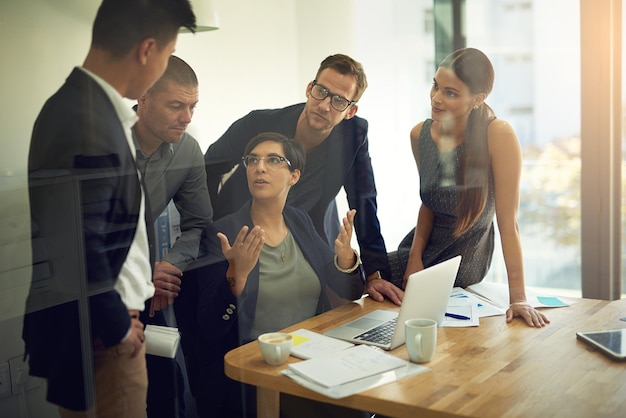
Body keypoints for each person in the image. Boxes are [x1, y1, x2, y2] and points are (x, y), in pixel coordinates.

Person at [22, 1, 195, 416]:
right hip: (103, 337)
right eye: (168, 55)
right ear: (147, 49)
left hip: (106, 328)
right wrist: (118, 328)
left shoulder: (90, 110)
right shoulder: (85, 120)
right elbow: (78, 247)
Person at [180, 132, 367, 418]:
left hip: (311, 356)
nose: (259, 167)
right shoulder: (224, 232)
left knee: (363, 402)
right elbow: (209, 328)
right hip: (259, 368)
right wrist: (236, 278)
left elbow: (348, 289)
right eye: (252, 160)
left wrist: (346, 258)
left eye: (273, 160)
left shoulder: (300, 221)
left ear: (294, 176)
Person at [204, 53, 403, 306]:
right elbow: (208, 168)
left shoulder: (353, 135)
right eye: (321, 91)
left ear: (350, 111)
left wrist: (375, 275)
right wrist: (207, 228)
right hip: (242, 231)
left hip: (302, 230)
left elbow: (364, 204)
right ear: (310, 89)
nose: (324, 105)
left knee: (324, 301)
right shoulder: (260, 123)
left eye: (339, 101)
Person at [398, 47, 549, 327]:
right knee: (368, 283)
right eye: (435, 86)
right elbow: (429, 204)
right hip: (420, 252)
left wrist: (518, 298)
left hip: (464, 261)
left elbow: (508, 223)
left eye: (450, 92)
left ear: (477, 99)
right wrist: (413, 259)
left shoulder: (498, 134)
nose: (436, 98)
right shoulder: (419, 134)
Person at [133, 55, 212, 417]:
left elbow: (199, 224)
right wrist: (146, 271)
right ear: (143, 97)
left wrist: (167, 265)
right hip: (93, 289)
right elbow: (86, 235)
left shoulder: (187, 148)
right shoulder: (104, 145)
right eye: (176, 106)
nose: (188, 117)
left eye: (193, 106)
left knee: (163, 392)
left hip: (148, 287)